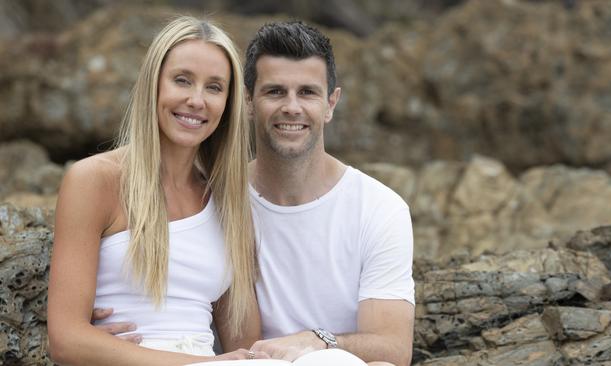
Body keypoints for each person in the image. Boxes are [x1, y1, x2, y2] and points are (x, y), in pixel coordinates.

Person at [93, 20, 415, 366]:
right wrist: (106, 344)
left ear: (331, 103)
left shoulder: (378, 208)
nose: (292, 107)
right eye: (275, 91)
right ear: (247, 101)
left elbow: (394, 349)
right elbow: (230, 333)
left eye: (307, 92)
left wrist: (316, 341)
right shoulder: (217, 197)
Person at [47, 16, 266, 365]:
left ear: (228, 105)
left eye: (214, 87)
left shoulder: (227, 200)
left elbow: (247, 346)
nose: (196, 100)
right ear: (154, 84)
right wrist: (204, 365)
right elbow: (65, 340)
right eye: (182, 80)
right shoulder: (95, 180)